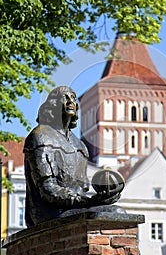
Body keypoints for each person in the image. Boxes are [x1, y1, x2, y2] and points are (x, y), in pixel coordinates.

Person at [24, 86, 120, 227]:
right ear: (52, 105)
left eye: (73, 98)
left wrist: (105, 196)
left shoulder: (79, 145)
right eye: (65, 98)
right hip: (49, 212)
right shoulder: (40, 137)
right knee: (115, 213)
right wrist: (89, 202)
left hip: (74, 207)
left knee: (115, 211)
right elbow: (48, 189)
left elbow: (82, 189)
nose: (70, 102)